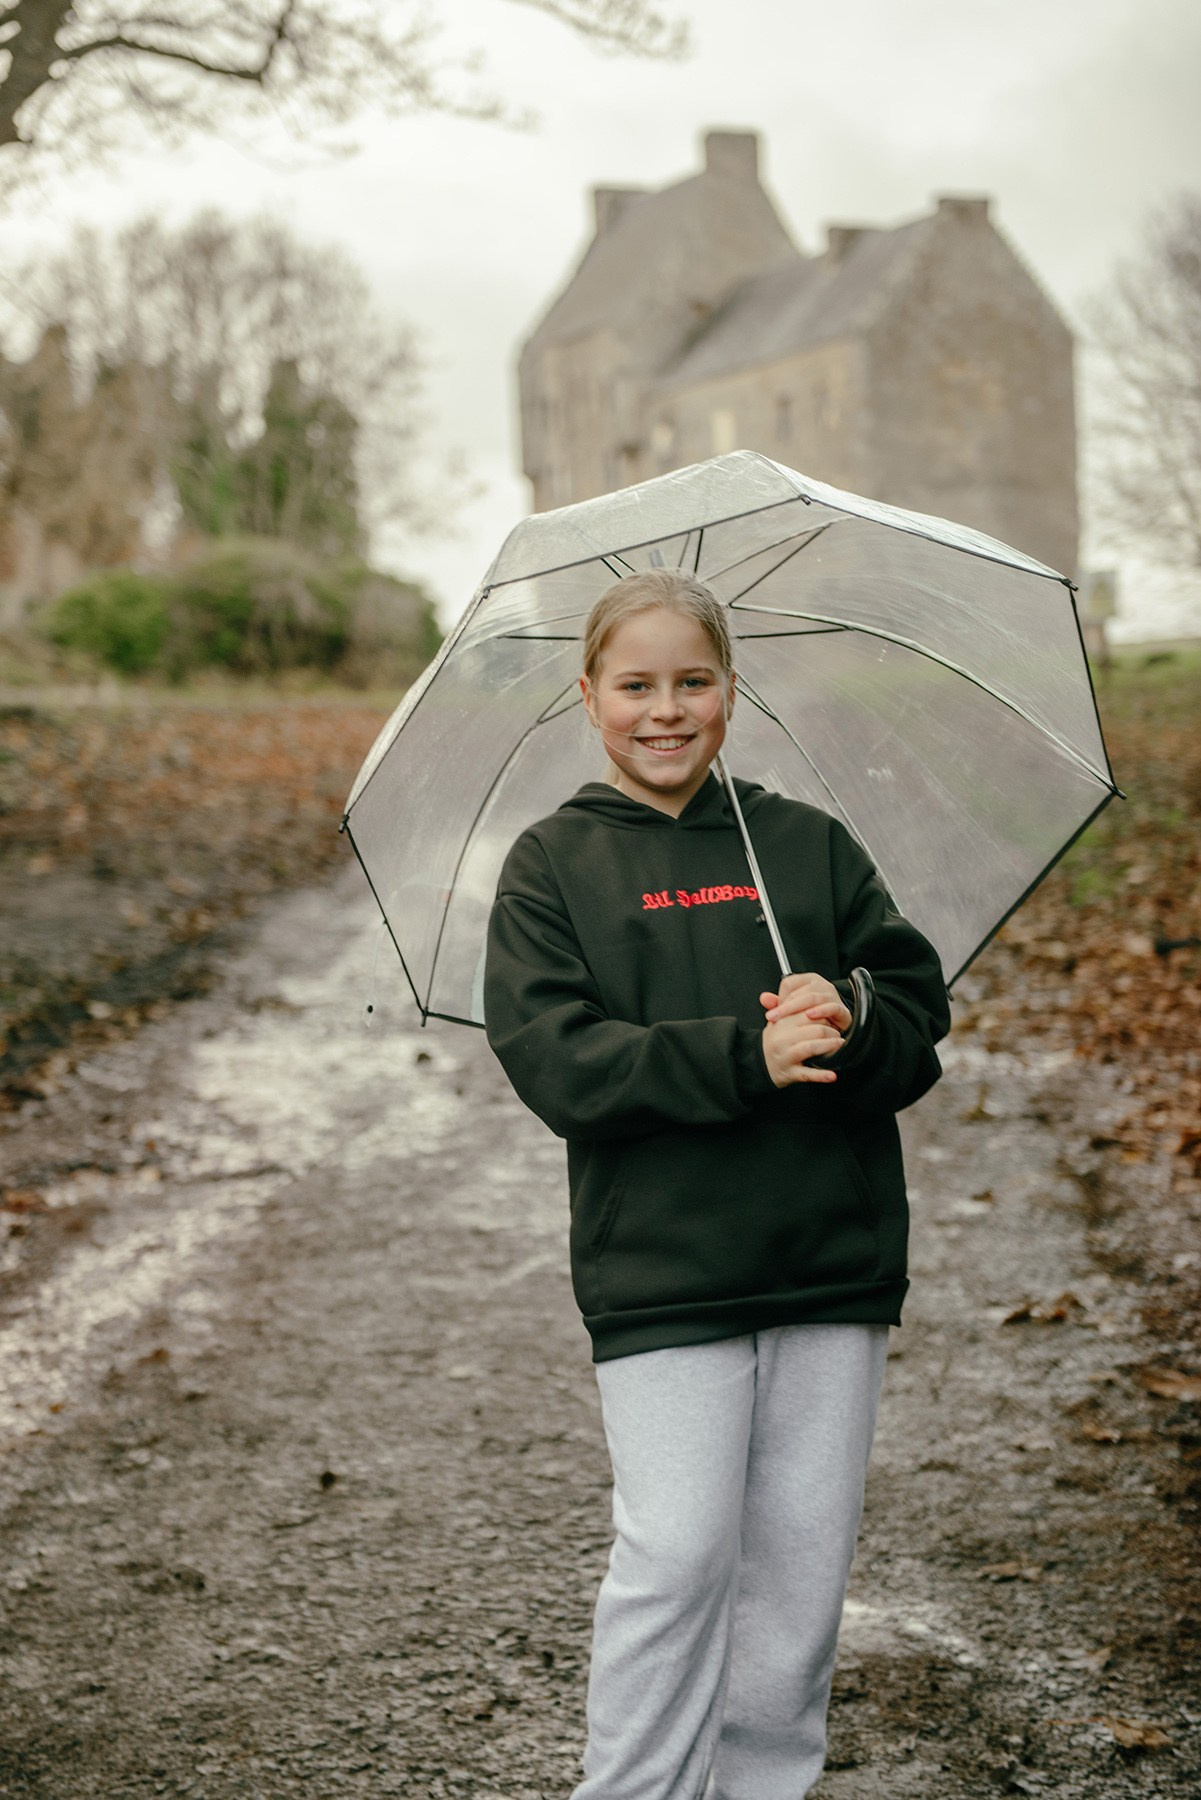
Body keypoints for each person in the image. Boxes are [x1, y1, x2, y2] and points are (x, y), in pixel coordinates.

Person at [484, 568, 950, 1800]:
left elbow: (918, 1022)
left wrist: (845, 1013)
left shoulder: (804, 844)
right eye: (636, 685)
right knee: (679, 1554)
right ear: (590, 698)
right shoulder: (551, 865)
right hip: (664, 1275)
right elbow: (560, 1066)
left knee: (797, 1579)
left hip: (827, 1262)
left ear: (730, 691)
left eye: (692, 682)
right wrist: (743, 1056)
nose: (666, 710)